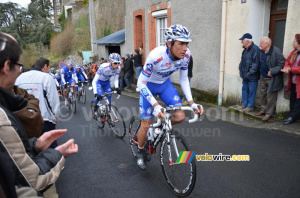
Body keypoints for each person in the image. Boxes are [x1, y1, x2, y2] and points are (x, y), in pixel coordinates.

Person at [0, 32, 78, 194]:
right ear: (7, 66)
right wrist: (58, 156)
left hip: (24, 133)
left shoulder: (18, 83)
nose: (20, 72)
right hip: (44, 120)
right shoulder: (46, 77)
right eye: (19, 66)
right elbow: (32, 180)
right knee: (50, 154)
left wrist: (34, 146)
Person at [136, 24, 203, 170]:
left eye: (187, 44)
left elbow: (184, 79)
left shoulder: (186, 56)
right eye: (181, 44)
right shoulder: (156, 56)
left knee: (179, 116)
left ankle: (159, 127)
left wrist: (192, 103)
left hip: (165, 85)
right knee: (146, 124)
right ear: (169, 43)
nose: (185, 48)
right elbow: (140, 83)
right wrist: (155, 105)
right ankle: (140, 150)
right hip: (148, 86)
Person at [16, 57, 60, 148]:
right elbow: (53, 99)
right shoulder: (46, 77)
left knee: (29, 147)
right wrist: (55, 115)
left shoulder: (19, 78)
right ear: (44, 66)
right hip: (44, 118)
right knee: (49, 146)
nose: (48, 70)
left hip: (24, 119)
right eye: (48, 68)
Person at [256, 37, 285, 121]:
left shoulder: (276, 51)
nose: (259, 45)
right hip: (263, 77)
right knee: (263, 94)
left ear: (267, 44)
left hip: (272, 78)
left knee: (270, 96)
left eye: (261, 43)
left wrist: (272, 71)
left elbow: (282, 64)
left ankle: (269, 114)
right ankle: (263, 110)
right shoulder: (261, 52)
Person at [238, 33, 260, 112]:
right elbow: (242, 62)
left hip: (252, 76)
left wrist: (250, 73)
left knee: (251, 91)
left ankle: (250, 106)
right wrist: (241, 70)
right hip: (245, 75)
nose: (241, 42)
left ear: (247, 41)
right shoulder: (245, 50)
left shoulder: (255, 49)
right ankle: (244, 104)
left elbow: (256, 64)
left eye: (242, 40)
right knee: (244, 90)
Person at [281, 34, 300, 125]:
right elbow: (287, 61)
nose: (293, 43)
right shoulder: (294, 52)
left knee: (298, 100)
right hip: (293, 80)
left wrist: (290, 69)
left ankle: (292, 117)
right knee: (292, 98)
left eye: (295, 41)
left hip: (299, 82)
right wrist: (287, 67)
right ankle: (292, 116)